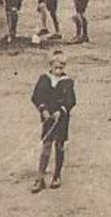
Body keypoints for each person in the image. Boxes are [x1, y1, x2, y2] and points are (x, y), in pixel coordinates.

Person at [31, 52, 77, 191]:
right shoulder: (44, 79)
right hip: (47, 118)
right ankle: (40, 177)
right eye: (56, 67)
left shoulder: (67, 81)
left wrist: (61, 110)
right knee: (46, 146)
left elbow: (71, 100)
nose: (58, 70)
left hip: (61, 119)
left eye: (61, 67)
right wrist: (43, 109)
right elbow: (36, 96)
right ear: (50, 66)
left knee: (59, 145)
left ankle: (57, 175)